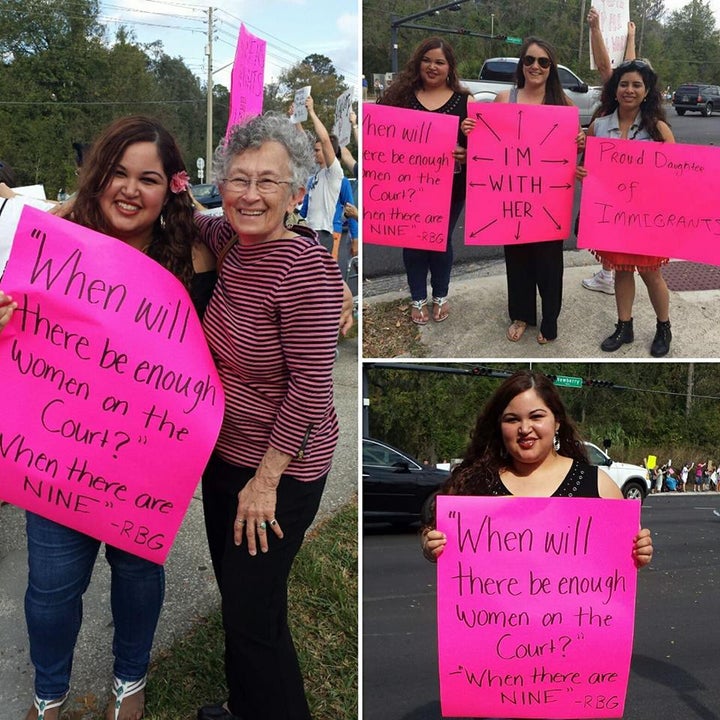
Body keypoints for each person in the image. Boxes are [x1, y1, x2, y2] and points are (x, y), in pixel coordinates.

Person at [1, 115, 215, 720]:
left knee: (138, 580)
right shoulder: (53, 244)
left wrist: (327, 294)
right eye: (117, 172)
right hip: (54, 457)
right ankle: (49, 692)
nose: (129, 189)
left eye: (147, 178)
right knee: (49, 593)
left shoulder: (195, 257)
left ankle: (129, 680)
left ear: (172, 186)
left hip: (147, 467)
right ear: (97, 177)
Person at [192, 112, 344, 720]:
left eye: (269, 183)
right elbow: (183, 219)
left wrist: (265, 482)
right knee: (242, 601)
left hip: (281, 470)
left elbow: (309, 389)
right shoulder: (231, 239)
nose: (250, 194)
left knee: (253, 619)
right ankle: (244, 705)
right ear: (221, 184)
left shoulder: (305, 269)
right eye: (238, 179)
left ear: (298, 194)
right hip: (224, 456)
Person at [420, 370, 653, 571]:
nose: (524, 429)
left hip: (575, 622)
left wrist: (637, 553)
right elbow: (433, 532)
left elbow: (618, 564)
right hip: (491, 621)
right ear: (499, 426)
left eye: (536, 417)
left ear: (557, 421)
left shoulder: (597, 484)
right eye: (512, 419)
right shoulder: (473, 483)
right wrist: (431, 546)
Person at [463, 37, 583, 344]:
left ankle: (550, 318)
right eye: (529, 60)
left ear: (551, 68)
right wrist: (470, 130)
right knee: (517, 261)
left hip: (548, 200)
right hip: (510, 198)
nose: (535, 66)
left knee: (549, 263)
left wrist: (580, 140)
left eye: (543, 62)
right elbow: (485, 136)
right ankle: (521, 315)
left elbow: (573, 148)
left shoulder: (563, 104)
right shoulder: (506, 98)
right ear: (521, 64)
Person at [579, 59, 674, 357]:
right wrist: (583, 171)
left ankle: (663, 326)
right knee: (621, 271)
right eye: (624, 84)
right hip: (613, 216)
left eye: (636, 85)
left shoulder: (657, 128)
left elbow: (677, 174)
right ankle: (625, 325)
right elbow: (586, 166)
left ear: (647, 92)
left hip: (645, 218)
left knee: (650, 273)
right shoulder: (599, 124)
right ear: (615, 89)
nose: (629, 90)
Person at [379, 36, 469, 325]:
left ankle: (440, 295)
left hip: (451, 188)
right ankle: (418, 297)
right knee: (414, 243)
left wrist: (465, 152)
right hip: (408, 187)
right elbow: (380, 137)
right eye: (427, 60)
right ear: (418, 63)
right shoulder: (400, 98)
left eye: (439, 62)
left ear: (450, 67)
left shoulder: (465, 102)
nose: (432, 67)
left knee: (440, 241)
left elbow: (484, 150)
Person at [582, 8, 637, 295]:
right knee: (610, 209)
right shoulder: (619, 109)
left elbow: (609, 66)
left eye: (636, 84)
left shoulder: (617, 106)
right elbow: (624, 65)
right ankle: (610, 271)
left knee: (609, 209)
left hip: (619, 158)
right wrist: (630, 36)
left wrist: (595, 29)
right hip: (615, 156)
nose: (629, 87)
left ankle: (608, 272)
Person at [295, 95, 344, 256]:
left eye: (317, 150)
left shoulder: (334, 172)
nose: (314, 153)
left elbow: (324, 139)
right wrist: (296, 119)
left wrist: (311, 111)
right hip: (309, 231)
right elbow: (303, 140)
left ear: (327, 151)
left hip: (322, 233)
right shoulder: (317, 172)